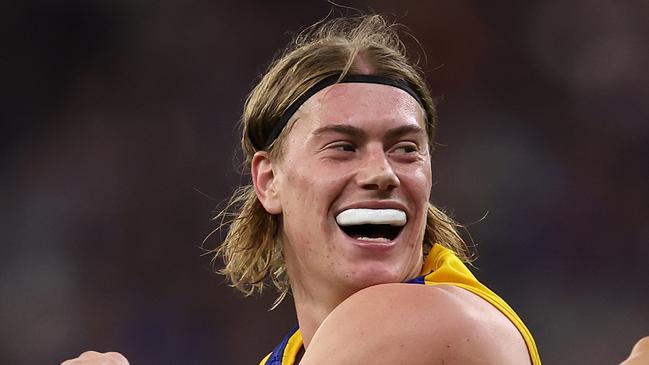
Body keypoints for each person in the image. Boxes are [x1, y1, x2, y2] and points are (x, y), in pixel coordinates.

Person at [60, 14, 647, 365]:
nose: (382, 172)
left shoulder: (417, 316)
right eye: (342, 146)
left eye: (405, 147)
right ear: (268, 180)